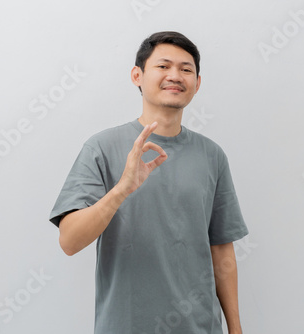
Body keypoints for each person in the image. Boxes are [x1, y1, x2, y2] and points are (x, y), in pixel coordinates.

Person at [49, 31, 249, 334]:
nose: (175, 76)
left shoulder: (212, 155)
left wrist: (235, 328)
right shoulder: (102, 148)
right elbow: (69, 241)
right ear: (137, 76)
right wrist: (121, 189)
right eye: (163, 66)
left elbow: (221, 250)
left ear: (197, 83)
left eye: (186, 69)